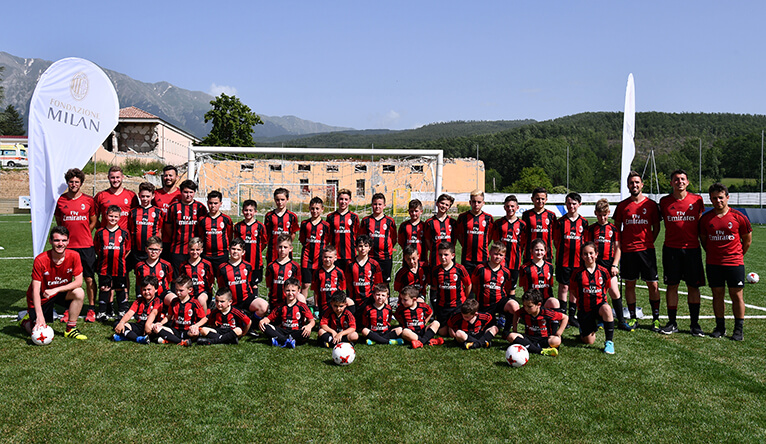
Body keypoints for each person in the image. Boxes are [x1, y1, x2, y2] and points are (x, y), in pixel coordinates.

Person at [699, 183, 752, 340]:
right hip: (714, 263)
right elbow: (704, 241)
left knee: (736, 296)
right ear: (710, 199)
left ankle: (738, 329)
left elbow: (747, 240)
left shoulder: (738, 217)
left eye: (721, 197)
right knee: (717, 295)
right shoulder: (705, 219)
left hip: (734, 263)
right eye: (714, 198)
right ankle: (720, 327)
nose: (718, 201)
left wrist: (737, 255)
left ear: (727, 197)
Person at [658, 169, 706, 336]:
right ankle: (672, 323)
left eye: (682, 179)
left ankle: (694, 324)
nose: (679, 182)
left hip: (692, 249)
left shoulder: (697, 200)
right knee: (672, 285)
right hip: (671, 249)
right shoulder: (664, 201)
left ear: (687, 182)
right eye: (676, 179)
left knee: (693, 286)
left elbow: (701, 222)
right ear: (671, 183)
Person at [613, 171, 662, 331]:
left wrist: (648, 242)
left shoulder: (651, 205)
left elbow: (657, 227)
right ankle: (633, 318)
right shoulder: (622, 206)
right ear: (628, 186)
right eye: (631, 183)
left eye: (637, 182)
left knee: (653, 285)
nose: (634, 185)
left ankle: (655, 319)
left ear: (642, 185)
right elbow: (617, 229)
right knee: (629, 284)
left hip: (647, 251)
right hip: (628, 251)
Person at [22, 226, 88, 340]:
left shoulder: (74, 256)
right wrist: (39, 316)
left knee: (79, 292)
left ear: (68, 241)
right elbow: (35, 290)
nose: (60, 244)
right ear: (50, 241)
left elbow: (78, 282)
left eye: (63, 240)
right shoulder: (40, 260)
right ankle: (25, 321)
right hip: (42, 296)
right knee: (35, 330)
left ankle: (70, 329)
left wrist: (56, 290)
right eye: (57, 240)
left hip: (58, 293)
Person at [55, 168, 98, 323]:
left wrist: (86, 232)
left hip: (86, 245)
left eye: (76, 182)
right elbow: (59, 221)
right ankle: (68, 309)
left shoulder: (88, 200)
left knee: (88, 278)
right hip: (67, 247)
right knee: (67, 279)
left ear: (81, 183)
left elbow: (93, 220)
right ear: (68, 183)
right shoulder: (60, 200)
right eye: (71, 182)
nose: (73, 184)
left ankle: (91, 309)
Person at [585, 198, 631, 331]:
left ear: (608, 213)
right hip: (595, 266)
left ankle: (621, 321)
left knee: (615, 292)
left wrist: (615, 265)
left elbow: (618, 248)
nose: (602, 218)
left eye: (604, 215)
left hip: (609, 265)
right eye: (599, 215)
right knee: (598, 293)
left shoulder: (613, 229)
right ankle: (599, 319)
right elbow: (588, 248)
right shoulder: (592, 229)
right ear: (595, 213)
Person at [570, 242, 616, 354]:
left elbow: (606, 288)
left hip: (599, 306)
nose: (588, 256)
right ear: (581, 256)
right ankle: (584, 331)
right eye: (585, 254)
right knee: (588, 341)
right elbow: (573, 291)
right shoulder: (577, 273)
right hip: (585, 310)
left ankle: (609, 342)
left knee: (607, 309)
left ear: (596, 254)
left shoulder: (604, 272)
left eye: (591, 253)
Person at [554, 192, 588, 327]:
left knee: (574, 288)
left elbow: (585, 241)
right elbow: (556, 241)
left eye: (574, 203)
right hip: (564, 260)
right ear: (565, 204)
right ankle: (563, 315)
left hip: (579, 261)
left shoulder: (584, 222)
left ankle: (572, 315)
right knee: (563, 287)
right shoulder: (560, 222)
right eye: (569, 203)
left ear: (579, 204)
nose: (571, 206)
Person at [94, 205, 131, 321]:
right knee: (104, 288)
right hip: (104, 266)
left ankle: (122, 311)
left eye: (115, 217)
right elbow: (97, 248)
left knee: (120, 289)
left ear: (120, 217)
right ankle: (102, 312)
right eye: (110, 216)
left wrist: (119, 257)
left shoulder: (124, 233)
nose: (113, 219)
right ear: (105, 216)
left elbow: (128, 249)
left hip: (119, 266)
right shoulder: (100, 232)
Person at [164, 179, 208, 276]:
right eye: (186, 192)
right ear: (181, 192)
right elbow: (168, 227)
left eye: (191, 192)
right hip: (177, 249)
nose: (188, 195)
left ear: (194, 193)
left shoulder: (200, 208)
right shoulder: (173, 207)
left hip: (195, 251)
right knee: (177, 278)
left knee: (194, 277)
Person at [471, 242, 519, 330]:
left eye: (501, 255)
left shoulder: (506, 272)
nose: (498, 257)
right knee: (486, 329)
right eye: (496, 254)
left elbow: (508, 289)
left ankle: (508, 331)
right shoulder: (480, 268)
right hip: (484, 304)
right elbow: (474, 286)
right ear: (490, 253)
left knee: (514, 305)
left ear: (504, 256)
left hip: (499, 302)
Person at [217, 237, 269, 319]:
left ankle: (252, 324)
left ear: (243, 252)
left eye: (238, 249)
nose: (235, 252)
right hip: (231, 302)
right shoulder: (222, 268)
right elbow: (221, 286)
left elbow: (250, 283)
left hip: (246, 299)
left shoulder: (247, 266)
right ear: (229, 250)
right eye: (233, 249)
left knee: (263, 306)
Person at [508, 289, 565, 357]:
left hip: (543, 339)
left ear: (538, 305)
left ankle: (530, 347)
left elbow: (565, 318)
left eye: (529, 306)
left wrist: (559, 333)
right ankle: (541, 351)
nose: (526, 308)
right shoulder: (523, 311)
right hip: (529, 338)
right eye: (524, 306)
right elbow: (516, 314)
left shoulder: (546, 312)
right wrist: (515, 329)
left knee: (556, 341)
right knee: (511, 336)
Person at [430, 241, 471, 336]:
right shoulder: (436, 270)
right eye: (440, 255)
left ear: (452, 255)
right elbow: (435, 287)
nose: (443, 257)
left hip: (456, 307)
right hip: (443, 307)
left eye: (446, 255)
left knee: (453, 334)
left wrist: (464, 298)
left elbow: (468, 285)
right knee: (442, 332)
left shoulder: (460, 269)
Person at [259, 278, 315, 348]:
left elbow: (312, 321)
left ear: (298, 291)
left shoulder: (302, 306)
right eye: (288, 290)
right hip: (283, 331)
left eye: (293, 291)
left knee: (305, 333)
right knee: (265, 326)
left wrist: (309, 326)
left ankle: (280, 339)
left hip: (296, 331)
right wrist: (263, 321)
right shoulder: (280, 306)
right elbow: (269, 318)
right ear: (284, 291)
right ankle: (286, 340)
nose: (290, 293)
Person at [154, 275, 207, 346]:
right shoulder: (174, 301)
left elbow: (204, 319)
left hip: (188, 330)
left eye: (181, 290)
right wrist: (160, 323)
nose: (178, 292)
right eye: (176, 290)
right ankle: (181, 342)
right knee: (156, 328)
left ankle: (171, 340)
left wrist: (196, 326)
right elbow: (168, 316)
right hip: (175, 330)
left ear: (190, 290)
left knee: (195, 333)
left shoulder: (194, 303)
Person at [127, 182, 163, 282]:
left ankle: (154, 296)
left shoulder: (158, 212)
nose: (145, 199)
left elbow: (160, 230)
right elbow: (130, 230)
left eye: (148, 196)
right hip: (137, 250)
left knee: (152, 274)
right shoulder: (133, 212)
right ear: (139, 195)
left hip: (152, 251)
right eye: (143, 196)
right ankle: (138, 295)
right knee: (139, 274)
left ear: (153, 196)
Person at [492, 195, 526, 300]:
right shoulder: (498, 223)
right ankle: (500, 310)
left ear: (517, 207)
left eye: (512, 206)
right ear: (504, 207)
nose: (510, 209)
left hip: (515, 260)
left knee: (511, 287)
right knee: (500, 284)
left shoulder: (522, 225)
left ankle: (510, 311)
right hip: (501, 260)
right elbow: (496, 242)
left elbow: (523, 243)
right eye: (507, 206)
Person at [112, 275, 163, 344]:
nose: (146, 292)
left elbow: (153, 313)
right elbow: (130, 313)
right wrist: (121, 323)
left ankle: (126, 337)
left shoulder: (157, 301)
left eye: (149, 289)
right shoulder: (139, 301)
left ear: (156, 289)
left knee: (156, 330)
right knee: (117, 324)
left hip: (150, 326)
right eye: (144, 290)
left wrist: (147, 325)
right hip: (139, 325)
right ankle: (138, 339)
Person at [455, 189, 493, 277]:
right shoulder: (463, 217)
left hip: (482, 256)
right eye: (474, 202)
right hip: (467, 257)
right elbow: (460, 235)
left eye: (479, 202)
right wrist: (465, 244)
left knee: (482, 284)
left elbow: (490, 236)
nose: (476, 204)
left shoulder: (488, 218)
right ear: (470, 202)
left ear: (483, 203)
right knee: (467, 284)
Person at [360, 193, 397, 282]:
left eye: (380, 204)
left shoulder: (389, 221)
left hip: (385, 257)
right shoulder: (366, 220)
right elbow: (362, 238)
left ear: (384, 206)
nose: (377, 206)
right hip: (370, 256)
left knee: (385, 282)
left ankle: (386, 296)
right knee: (369, 281)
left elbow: (393, 239)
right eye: (375, 204)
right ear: (372, 205)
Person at [345, 234, 383, 318]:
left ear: (370, 248)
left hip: (368, 299)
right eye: (360, 246)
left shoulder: (374, 264)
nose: (363, 249)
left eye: (366, 246)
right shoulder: (350, 263)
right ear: (356, 247)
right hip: (354, 298)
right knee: (353, 324)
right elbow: (348, 282)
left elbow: (378, 283)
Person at [232, 199, 267, 291]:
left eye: (250, 210)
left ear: (255, 211)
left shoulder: (260, 226)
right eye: (246, 210)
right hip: (241, 261)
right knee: (242, 282)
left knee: (254, 284)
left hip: (255, 262)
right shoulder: (238, 226)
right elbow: (235, 242)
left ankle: (254, 301)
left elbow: (264, 242)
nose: (248, 212)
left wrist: (258, 250)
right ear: (243, 211)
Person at [299, 197, 330, 298]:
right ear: (309, 208)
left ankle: (317, 309)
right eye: (312, 208)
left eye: (317, 208)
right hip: (306, 258)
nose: (315, 211)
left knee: (317, 285)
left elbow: (327, 241)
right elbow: (302, 239)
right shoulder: (304, 224)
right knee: (305, 284)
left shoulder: (326, 226)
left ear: (322, 209)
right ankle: (303, 307)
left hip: (320, 259)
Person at [197, 190, 233, 276]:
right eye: (210, 203)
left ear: (220, 203)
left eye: (215, 203)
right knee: (207, 282)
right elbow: (200, 235)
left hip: (222, 256)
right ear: (207, 203)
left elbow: (230, 235)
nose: (213, 206)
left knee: (223, 282)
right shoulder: (202, 220)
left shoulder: (226, 219)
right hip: (206, 256)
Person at [519, 239, 559, 310]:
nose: (539, 252)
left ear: (545, 251)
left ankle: (552, 319)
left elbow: (550, 285)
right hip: (532, 301)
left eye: (541, 250)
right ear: (531, 251)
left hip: (546, 299)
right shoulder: (525, 268)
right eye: (536, 250)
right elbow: (524, 287)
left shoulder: (550, 266)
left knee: (554, 302)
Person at [134, 236, 174, 307]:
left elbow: (169, 279)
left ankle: (168, 314)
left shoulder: (166, 265)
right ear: (146, 249)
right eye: (151, 249)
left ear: (161, 250)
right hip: (147, 295)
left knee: (174, 301)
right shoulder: (140, 266)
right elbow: (139, 282)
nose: (153, 252)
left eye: (156, 249)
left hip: (163, 293)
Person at [94, 166, 137, 231]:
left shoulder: (131, 195)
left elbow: (136, 217)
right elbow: (93, 217)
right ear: (108, 178)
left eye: (117, 177)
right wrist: (102, 230)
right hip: (106, 237)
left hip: (125, 237)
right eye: (112, 178)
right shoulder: (101, 195)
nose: (115, 180)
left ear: (122, 177)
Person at [265, 234, 302, 308]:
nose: (282, 250)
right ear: (276, 247)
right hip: (275, 301)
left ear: (291, 248)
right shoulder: (271, 266)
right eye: (280, 247)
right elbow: (269, 284)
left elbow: (298, 285)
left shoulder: (295, 266)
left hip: (290, 301)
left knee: (302, 299)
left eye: (285, 247)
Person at [326, 188, 359, 272]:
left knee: (349, 281)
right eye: (341, 199)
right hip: (335, 255)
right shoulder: (330, 217)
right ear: (337, 200)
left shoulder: (354, 217)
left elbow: (357, 234)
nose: (343, 202)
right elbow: (328, 235)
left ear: (350, 201)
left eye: (346, 199)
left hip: (350, 254)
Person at [152, 165, 181, 261]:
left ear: (177, 177)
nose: (168, 178)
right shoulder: (155, 194)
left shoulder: (181, 195)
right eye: (165, 175)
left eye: (170, 175)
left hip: (175, 240)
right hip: (158, 239)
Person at [264, 187, 299, 264]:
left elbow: (293, 233)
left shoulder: (292, 216)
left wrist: (286, 243)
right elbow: (266, 233)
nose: (280, 202)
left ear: (287, 199)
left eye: (282, 199)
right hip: (272, 250)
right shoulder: (269, 216)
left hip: (286, 251)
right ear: (274, 200)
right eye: (277, 200)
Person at [521, 187, 557, 263]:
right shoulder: (526, 215)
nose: (540, 201)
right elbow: (523, 234)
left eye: (543, 199)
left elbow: (554, 235)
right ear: (532, 199)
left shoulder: (551, 215)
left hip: (546, 254)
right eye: (537, 198)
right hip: (529, 254)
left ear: (546, 200)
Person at [180, 237, 215, 309]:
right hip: (189, 294)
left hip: (203, 293)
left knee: (201, 299)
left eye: (197, 250)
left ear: (202, 250)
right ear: (188, 250)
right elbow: (182, 282)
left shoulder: (206, 264)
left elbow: (211, 281)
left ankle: (204, 318)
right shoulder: (184, 265)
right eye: (192, 249)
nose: (195, 252)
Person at [312, 245, 347, 316]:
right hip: (322, 304)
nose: (327, 259)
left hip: (335, 305)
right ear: (322, 257)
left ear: (335, 258)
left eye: (330, 257)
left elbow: (342, 290)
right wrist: (316, 306)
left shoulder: (339, 272)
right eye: (325, 257)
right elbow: (315, 291)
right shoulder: (317, 272)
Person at [424, 193, 456, 268]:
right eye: (442, 203)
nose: (444, 206)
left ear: (449, 207)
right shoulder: (429, 222)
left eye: (447, 205)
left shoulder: (453, 222)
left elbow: (455, 238)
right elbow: (427, 240)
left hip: (449, 257)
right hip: (435, 257)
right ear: (437, 203)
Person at [397, 199, 425, 263]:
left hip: (422, 258)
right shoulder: (403, 226)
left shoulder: (424, 226)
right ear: (408, 211)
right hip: (408, 258)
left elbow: (428, 241)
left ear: (421, 211)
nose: (414, 213)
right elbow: (400, 241)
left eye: (416, 211)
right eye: (411, 211)